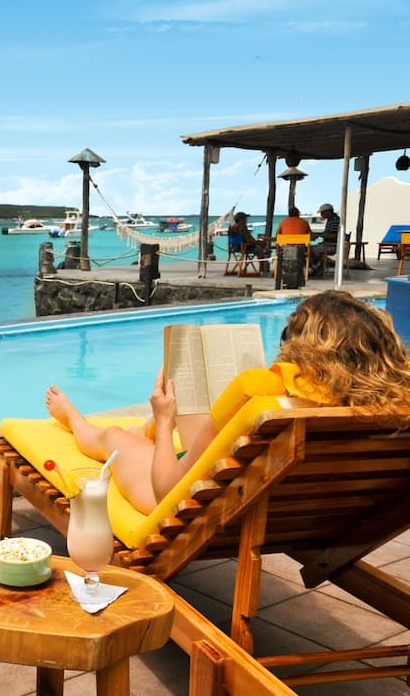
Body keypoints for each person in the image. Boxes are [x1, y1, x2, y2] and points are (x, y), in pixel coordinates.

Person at [44, 291, 410, 516]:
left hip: (209, 504)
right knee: (188, 403)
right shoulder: (388, 405)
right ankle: (147, 431)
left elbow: (166, 492)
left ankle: (74, 419)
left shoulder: (261, 393)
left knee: (113, 436)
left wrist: (165, 420)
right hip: (314, 510)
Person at [310, 203, 341, 276]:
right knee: (311, 248)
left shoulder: (335, 220)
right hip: (328, 244)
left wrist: (317, 235)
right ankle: (318, 266)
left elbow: (333, 235)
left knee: (312, 250)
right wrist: (317, 234)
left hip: (332, 245)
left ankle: (316, 267)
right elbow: (327, 233)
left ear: (328, 211)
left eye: (322, 212)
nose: (321, 214)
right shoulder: (331, 220)